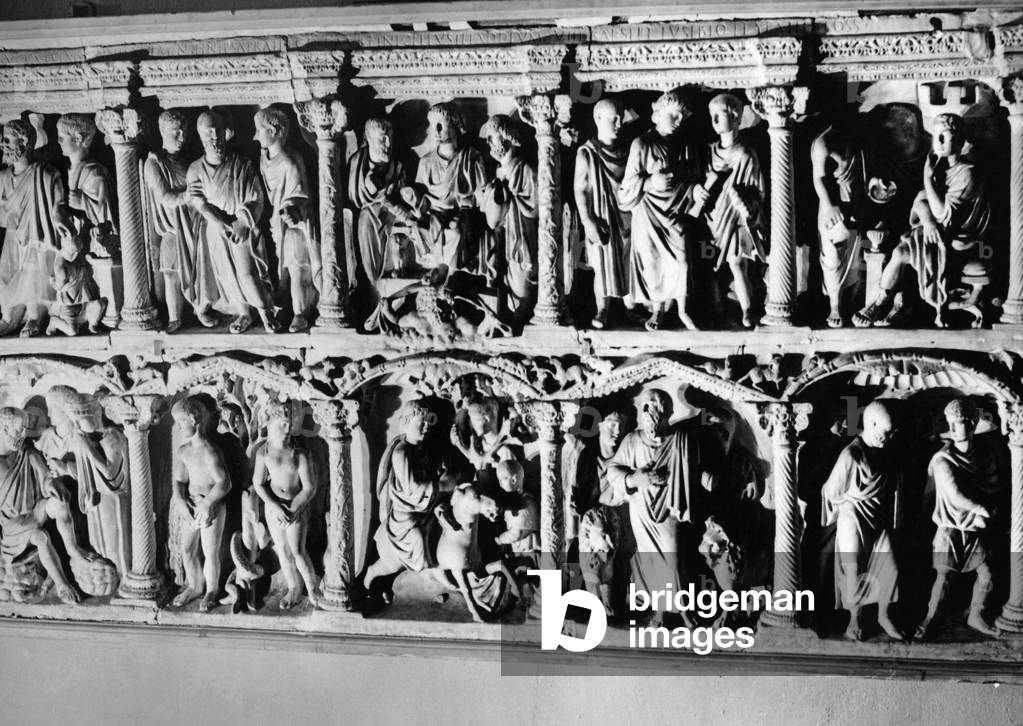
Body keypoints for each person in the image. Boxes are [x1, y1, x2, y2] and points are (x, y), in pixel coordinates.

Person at [854, 113, 990, 328]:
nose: (939, 142)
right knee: (900, 249)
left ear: (960, 141)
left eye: (946, 136)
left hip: (955, 240)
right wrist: (927, 220)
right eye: (936, 136)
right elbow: (920, 201)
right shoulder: (941, 168)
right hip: (936, 231)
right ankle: (883, 302)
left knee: (901, 252)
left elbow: (943, 214)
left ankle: (885, 303)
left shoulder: (967, 174)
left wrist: (927, 179)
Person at [606, 389, 701, 623]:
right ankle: (659, 611)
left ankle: (684, 609)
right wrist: (634, 479)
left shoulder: (680, 439)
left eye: (654, 406)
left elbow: (695, 470)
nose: (648, 412)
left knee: (673, 558)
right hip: (641, 509)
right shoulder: (633, 440)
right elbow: (613, 470)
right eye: (645, 407)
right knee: (648, 559)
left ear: (667, 411)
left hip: (670, 507)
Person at [187, 110, 279, 334]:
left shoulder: (242, 164)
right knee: (226, 275)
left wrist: (243, 221)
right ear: (200, 136)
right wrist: (218, 223)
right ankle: (244, 313)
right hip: (216, 229)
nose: (214, 138)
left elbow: (256, 196)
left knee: (248, 273)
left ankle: (265, 312)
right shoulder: (195, 169)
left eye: (217, 132)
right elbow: (198, 201)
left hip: (242, 227)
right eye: (208, 133)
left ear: (226, 133)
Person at [916, 398, 1002, 638]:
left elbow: (994, 485)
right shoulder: (942, 459)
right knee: (944, 576)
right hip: (950, 528)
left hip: (974, 528)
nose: (952, 428)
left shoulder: (984, 457)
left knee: (987, 573)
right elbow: (956, 495)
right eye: (950, 422)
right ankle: (930, 618)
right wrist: (983, 509)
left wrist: (990, 510)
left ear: (973, 423)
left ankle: (976, 614)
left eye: (959, 422)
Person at [618, 89, 702, 331]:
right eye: (672, 115)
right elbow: (625, 190)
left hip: (675, 212)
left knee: (682, 261)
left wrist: (695, 189)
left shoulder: (685, 145)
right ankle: (658, 310)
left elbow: (692, 177)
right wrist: (649, 182)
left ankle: (684, 310)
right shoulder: (641, 144)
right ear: (657, 114)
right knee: (653, 263)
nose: (678, 121)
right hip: (648, 215)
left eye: (681, 116)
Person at [821, 400, 903, 640]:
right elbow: (831, 491)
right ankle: (854, 619)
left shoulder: (886, 453)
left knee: (891, 564)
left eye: (892, 433)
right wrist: (847, 505)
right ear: (872, 424)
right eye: (887, 432)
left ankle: (884, 615)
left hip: (878, 518)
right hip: (853, 517)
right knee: (853, 568)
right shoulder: (851, 455)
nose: (889, 437)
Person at [0, 407, 90, 604]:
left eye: (24, 430)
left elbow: (44, 474)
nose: (22, 435)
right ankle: (62, 584)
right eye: (18, 430)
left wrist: (50, 484)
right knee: (40, 536)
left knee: (60, 502)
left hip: (34, 510)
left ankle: (73, 550)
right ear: (4, 428)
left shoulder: (25, 451)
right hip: (13, 525)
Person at [694, 93, 766, 328]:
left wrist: (747, 205)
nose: (714, 120)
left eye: (720, 114)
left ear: (735, 118)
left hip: (737, 219)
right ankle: (715, 308)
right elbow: (698, 181)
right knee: (712, 265)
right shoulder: (709, 151)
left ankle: (747, 310)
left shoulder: (746, 154)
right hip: (713, 216)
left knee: (737, 264)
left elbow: (758, 192)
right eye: (712, 115)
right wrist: (697, 191)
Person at [144, 109, 216, 332]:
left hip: (195, 224)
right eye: (176, 132)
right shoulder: (154, 163)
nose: (181, 137)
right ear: (162, 131)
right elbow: (164, 197)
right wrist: (186, 196)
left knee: (200, 270)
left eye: (184, 132)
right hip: (173, 228)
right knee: (171, 273)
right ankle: (174, 317)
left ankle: (200, 310)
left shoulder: (188, 159)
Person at [363, 400, 443, 600]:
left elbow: (428, 475)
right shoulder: (402, 452)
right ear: (407, 423)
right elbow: (412, 488)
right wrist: (439, 485)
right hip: (406, 514)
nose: (426, 427)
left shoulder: (422, 450)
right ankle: (373, 579)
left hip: (425, 507)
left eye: (427, 423)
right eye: (421, 423)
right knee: (418, 537)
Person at [254, 107, 321, 332]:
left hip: (296, 226)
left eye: (259, 130)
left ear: (274, 131)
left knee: (296, 265)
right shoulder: (264, 159)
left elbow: (300, 193)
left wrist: (294, 208)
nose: (255, 136)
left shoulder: (290, 162)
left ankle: (301, 312)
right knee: (283, 268)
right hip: (277, 222)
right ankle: (287, 305)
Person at [0, 119, 69, 337]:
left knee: (32, 273)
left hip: (34, 234)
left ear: (24, 141)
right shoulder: (3, 177)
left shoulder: (45, 174)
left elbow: (59, 203)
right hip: (12, 234)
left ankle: (34, 316)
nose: (2, 144)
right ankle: (9, 316)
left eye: (7, 139)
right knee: (5, 274)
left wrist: (59, 216)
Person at [251, 401, 320, 609]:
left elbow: (309, 487)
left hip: (295, 509)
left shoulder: (298, 454)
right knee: (282, 550)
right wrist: (274, 506)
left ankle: (312, 589)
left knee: (298, 551)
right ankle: (293, 588)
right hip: (274, 510)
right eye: (283, 424)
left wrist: (294, 508)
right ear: (270, 424)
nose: (288, 428)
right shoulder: (263, 453)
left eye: (289, 424)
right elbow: (258, 484)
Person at [574, 98, 631, 329]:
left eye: (620, 118)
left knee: (629, 264)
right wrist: (587, 220)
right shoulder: (587, 153)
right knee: (602, 266)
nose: (619, 123)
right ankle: (603, 309)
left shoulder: (627, 151)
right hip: (602, 218)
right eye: (613, 118)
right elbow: (581, 190)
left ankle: (632, 309)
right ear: (598, 119)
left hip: (627, 217)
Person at [170, 396, 231, 612]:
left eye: (182, 421)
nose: (179, 427)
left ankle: (212, 590)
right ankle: (195, 586)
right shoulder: (184, 450)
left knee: (210, 552)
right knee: (187, 549)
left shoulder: (209, 451)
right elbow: (179, 480)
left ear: (194, 419)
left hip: (210, 506)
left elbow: (224, 483)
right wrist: (179, 499)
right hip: (191, 505)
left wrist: (207, 504)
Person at [413, 102, 488, 275]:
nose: (436, 130)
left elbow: (481, 196)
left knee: (455, 231)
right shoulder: (426, 162)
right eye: (433, 125)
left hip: (463, 214)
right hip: (435, 214)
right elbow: (420, 197)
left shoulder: (472, 158)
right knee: (419, 227)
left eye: (441, 124)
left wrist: (479, 198)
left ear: (455, 125)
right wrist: (416, 205)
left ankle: (450, 274)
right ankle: (437, 268)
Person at [480, 114, 538, 322]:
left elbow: (536, 206)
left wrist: (511, 198)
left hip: (520, 238)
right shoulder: (498, 172)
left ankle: (521, 316)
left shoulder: (526, 170)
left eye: (492, 137)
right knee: (501, 278)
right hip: (501, 237)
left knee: (521, 284)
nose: (488, 142)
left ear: (507, 137)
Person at [348, 118, 408, 284]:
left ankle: (395, 270)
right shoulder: (357, 163)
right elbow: (354, 198)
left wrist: (397, 203)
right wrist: (370, 190)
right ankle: (372, 280)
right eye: (382, 139)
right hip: (369, 216)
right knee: (366, 218)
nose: (388, 144)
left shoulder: (397, 166)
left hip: (392, 214)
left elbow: (404, 194)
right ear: (369, 138)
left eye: (390, 138)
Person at [45, 224, 107, 336]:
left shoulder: (77, 257)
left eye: (78, 251)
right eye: (73, 252)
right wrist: (52, 281)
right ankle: (54, 322)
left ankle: (90, 323)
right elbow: (58, 286)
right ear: (65, 248)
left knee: (100, 304)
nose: (77, 254)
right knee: (72, 332)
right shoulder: (61, 268)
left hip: (84, 302)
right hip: (69, 305)